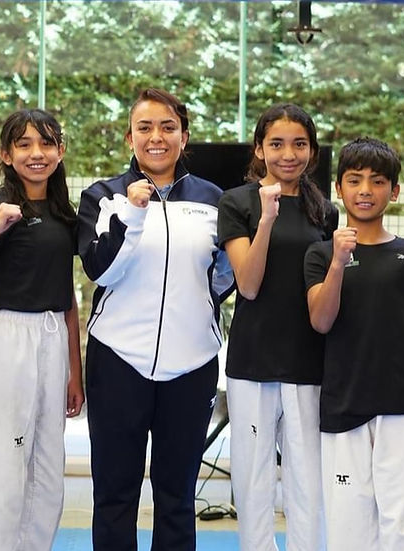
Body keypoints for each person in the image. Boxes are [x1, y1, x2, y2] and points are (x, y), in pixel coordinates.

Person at [76, 88, 234, 550]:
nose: (156, 137)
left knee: (177, 497)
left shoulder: (214, 199)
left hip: (191, 365)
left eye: (168, 127)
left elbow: (224, 275)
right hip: (117, 361)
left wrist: (197, 311)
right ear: (130, 137)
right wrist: (134, 212)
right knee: (114, 494)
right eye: (144, 128)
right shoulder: (102, 196)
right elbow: (100, 270)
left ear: (184, 137)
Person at [0, 109, 84, 551]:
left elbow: (66, 295)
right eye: (24, 144)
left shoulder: (63, 212)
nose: (36, 153)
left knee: (47, 471)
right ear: (6, 155)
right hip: (8, 337)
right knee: (3, 469)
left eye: (45, 143)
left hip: (53, 337)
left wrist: (75, 372)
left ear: (60, 151)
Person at [304, 137, 404, 551]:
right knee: (349, 526)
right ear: (338, 189)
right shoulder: (320, 254)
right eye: (355, 180)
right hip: (344, 407)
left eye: (378, 181)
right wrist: (338, 262)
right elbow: (321, 320)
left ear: (394, 191)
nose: (365, 190)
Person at [216, 103, 337, 551]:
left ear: (312, 151)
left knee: (308, 479)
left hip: (308, 360)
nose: (289, 154)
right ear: (259, 149)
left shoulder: (324, 212)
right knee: (253, 480)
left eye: (299, 144)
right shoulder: (237, 202)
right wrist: (267, 218)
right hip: (254, 360)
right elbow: (247, 285)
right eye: (277, 144)